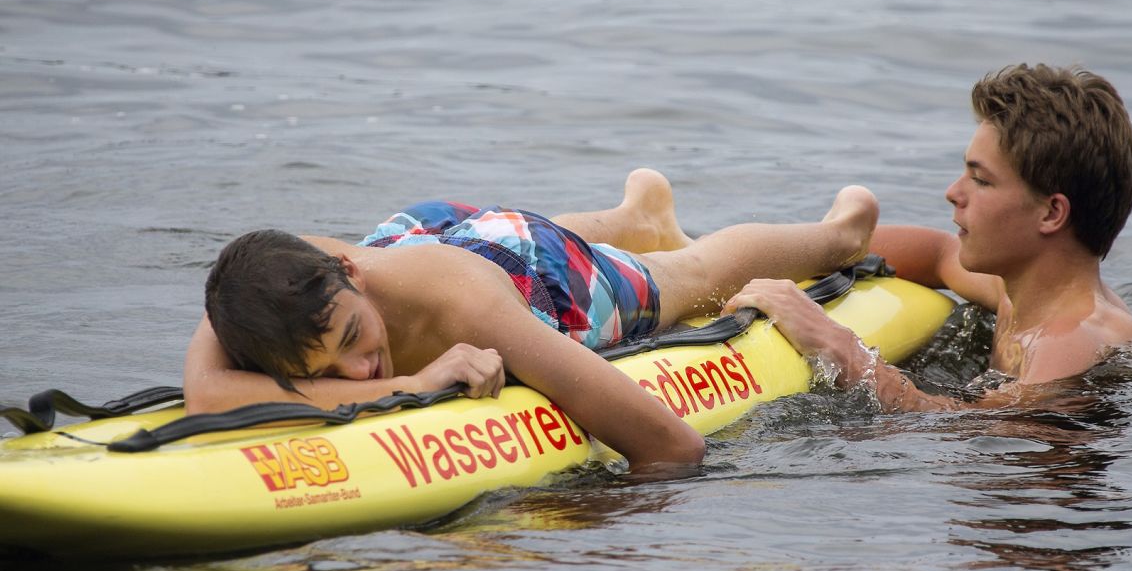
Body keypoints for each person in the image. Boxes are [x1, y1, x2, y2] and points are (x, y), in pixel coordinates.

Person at [184, 169, 877, 472]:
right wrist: (416, 385)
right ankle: (637, 216)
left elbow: (671, 447)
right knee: (495, 242)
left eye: (354, 342)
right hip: (426, 241)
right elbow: (209, 396)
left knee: (681, 280)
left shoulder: (475, 310)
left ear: (350, 276)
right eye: (321, 377)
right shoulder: (254, 295)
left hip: (518, 271)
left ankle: (839, 229)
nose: (358, 370)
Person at [724, 64, 1132, 411]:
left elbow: (978, 430)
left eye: (980, 180)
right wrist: (811, 248)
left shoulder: (1071, 341)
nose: (953, 192)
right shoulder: (1021, 290)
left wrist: (832, 341)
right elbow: (939, 253)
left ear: (1051, 213)